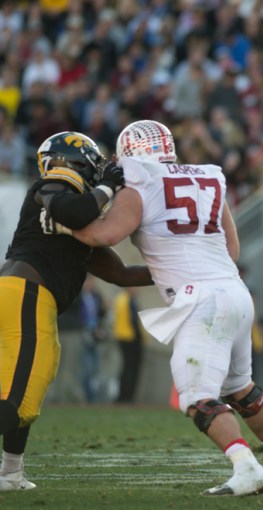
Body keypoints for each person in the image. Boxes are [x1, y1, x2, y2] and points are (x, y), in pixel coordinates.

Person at [68, 119, 263, 496]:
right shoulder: (208, 176)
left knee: (196, 397)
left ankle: (246, 467)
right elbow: (232, 250)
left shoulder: (141, 183)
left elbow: (104, 234)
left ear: (128, 154)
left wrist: (63, 227)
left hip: (202, 300)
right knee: (241, 390)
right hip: (235, 291)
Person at [0, 131, 153, 491]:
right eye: (95, 160)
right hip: (24, 294)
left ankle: (9, 473)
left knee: (28, 393)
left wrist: (177, 274)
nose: (102, 168)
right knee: (17, 402)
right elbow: (74, 208)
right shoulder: (55, 183)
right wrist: (108, 190)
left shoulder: (77, 222)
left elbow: (119, 273)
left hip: (32, 299)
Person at [112, 287, 143, 403]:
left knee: (127, 367)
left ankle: (124, 396)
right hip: (129, 338)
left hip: (124, 336)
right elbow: (133, 321)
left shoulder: (121, 299)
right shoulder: (127, 300)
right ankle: (126, 396)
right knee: (131, 368)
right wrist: (139, 336)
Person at [79, 274, 107, 403]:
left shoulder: (96, 296)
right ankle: (87, 396)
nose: (92, 284)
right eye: (89, 282)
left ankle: (93, 396)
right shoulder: (79, 296)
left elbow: (100, 315)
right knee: (87, 366)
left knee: (95, 366)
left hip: (95, 333)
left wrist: (100, 328)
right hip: (84, 332)